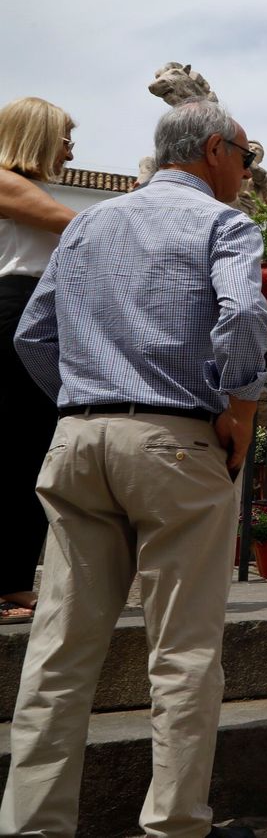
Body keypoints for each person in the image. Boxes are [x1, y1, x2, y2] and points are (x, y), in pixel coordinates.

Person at [0, 99, 267, 838]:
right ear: (215, 151)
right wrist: (238, 412)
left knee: (57, 652)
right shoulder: (223, 224)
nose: (249, 172)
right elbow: (244, 316)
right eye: (247, 156)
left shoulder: (88, 222)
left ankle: (32, 825)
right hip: (176, 442)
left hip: (79, 441)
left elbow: (32, 332)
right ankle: (175, 825)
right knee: (181, 653)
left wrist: (84, 402)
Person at [0, 97, 77, 624]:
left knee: (28, 447)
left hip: (34, 313)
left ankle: (10, 579)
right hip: (13, 313)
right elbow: (74, 226)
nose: (72, 147)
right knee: (14, 443)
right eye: (66, 135)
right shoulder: (4, 181)